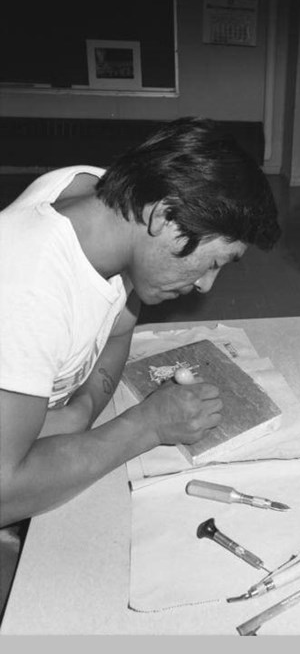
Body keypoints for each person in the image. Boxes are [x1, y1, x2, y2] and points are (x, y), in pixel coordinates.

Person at [0, 117, 281, 528]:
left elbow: (117, 330)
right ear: (165, 217)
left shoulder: (106, 201)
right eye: (213, 262)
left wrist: (80, 414)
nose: (205, 285)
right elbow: (6, 492)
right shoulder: (29, 285)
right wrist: (147, 426)